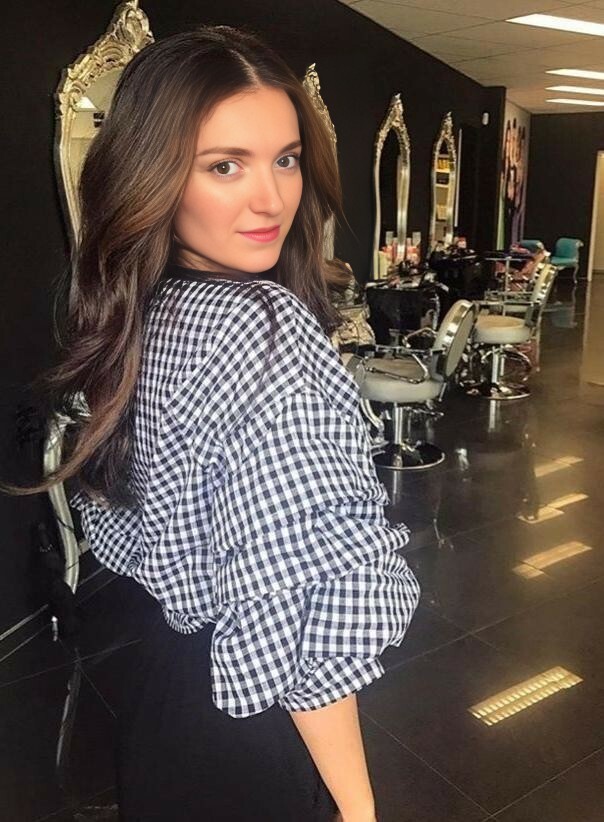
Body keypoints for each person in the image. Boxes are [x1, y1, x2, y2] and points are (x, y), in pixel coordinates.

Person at [2, 25, 420, 821]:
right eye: (225, 165)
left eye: (285, 159)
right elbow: (297, 600)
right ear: (154, 174)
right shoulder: (263, 328)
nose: (271, 199)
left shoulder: (146, 311)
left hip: (159, 691)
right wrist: (360, 808)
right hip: (249, 717)